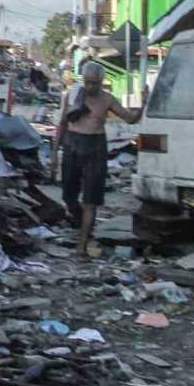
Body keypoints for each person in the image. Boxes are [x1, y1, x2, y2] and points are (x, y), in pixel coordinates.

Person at [56, 61, 141, 258]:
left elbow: (129, 118)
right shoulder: (74, 95)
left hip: (95, 147)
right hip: (72, 146)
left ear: (102, 82)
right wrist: (54, 155)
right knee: (68, 196)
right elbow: (62, 124)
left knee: (91, 200)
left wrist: (143, 104)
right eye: (87, 82)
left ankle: (82, 246)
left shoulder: (107, 99)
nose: (90, 87)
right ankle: (81, 224)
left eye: (95, 83)